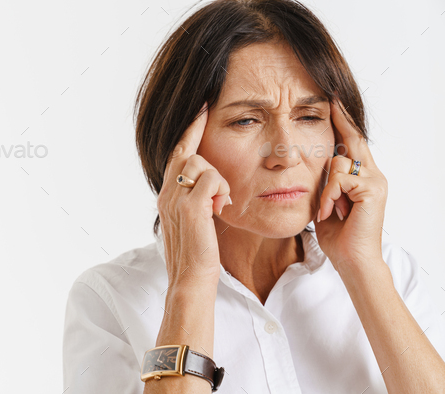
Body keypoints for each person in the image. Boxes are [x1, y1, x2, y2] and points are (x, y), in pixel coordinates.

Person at [62, 0, 445, 392]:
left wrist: (362, 267)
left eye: (308, 117)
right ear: (180, 147)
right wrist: (191, 285)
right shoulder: (111, 299)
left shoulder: (390, 271)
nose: (287, 154)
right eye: (246, 120)